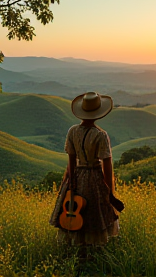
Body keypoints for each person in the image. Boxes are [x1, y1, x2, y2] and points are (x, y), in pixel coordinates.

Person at [49, 92, 119, 247]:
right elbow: (107, 166)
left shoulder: (72, 131)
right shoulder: (100, 135)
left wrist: (68, 182)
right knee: (95, 213)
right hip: (94, 176)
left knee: (73, 207)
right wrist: (110, 192)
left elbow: (71, 162)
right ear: (99, 114)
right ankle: (92, 252)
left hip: (77, 175)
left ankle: (74, 248)